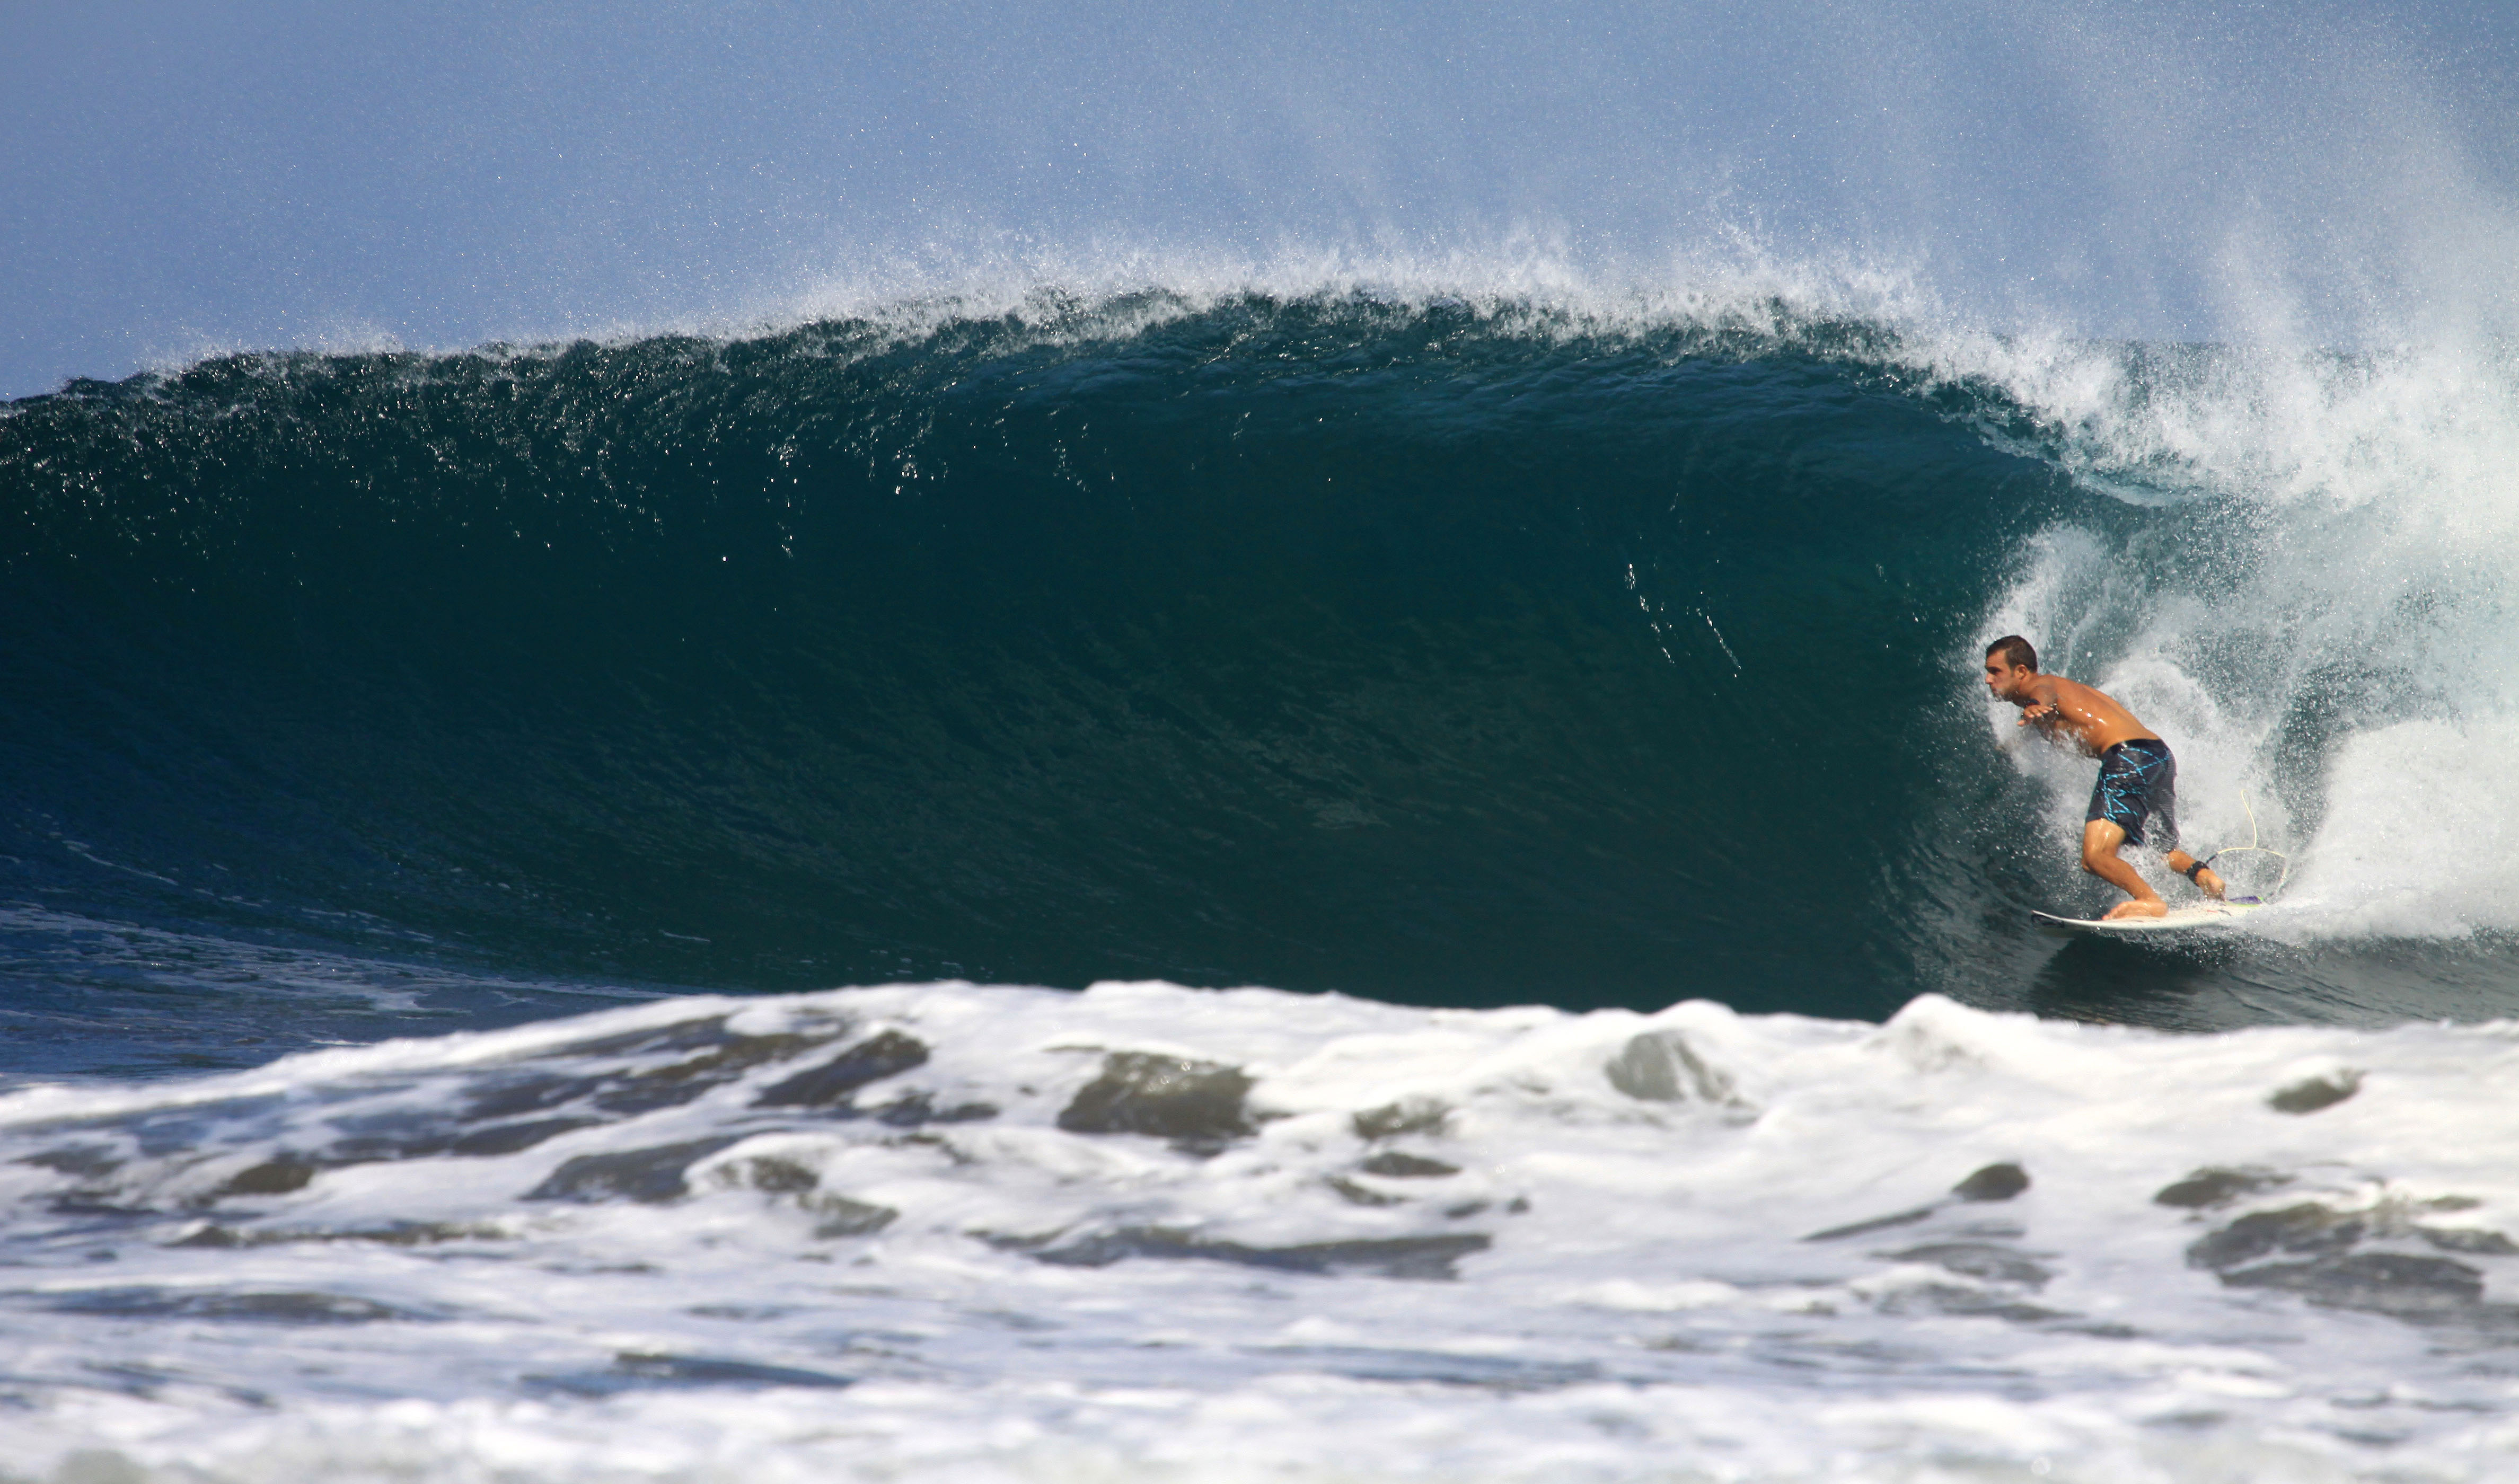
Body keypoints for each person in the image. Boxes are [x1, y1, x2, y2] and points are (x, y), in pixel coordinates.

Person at [1983, 634, 2225, 920]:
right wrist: (2008, 746)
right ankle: (2204, 876)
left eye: (1995, 671)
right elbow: (2042, 718)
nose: (1988, 680)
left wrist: (2036, 704)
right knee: (2156, 847)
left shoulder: (2041, 686)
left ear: (2021, 671)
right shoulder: (2057, 695)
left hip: (2129, 757)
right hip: (2158, 755)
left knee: (2095, 857)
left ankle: (2150, 901)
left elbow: (2045, 695)